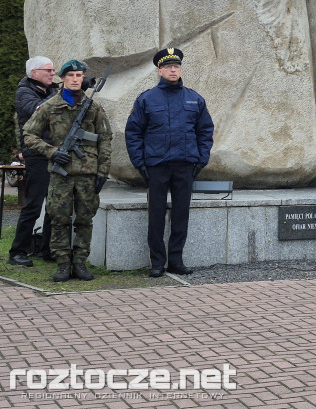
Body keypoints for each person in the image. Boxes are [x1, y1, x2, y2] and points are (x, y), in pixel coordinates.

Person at [125, 49, 215, 278]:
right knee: (156, 215)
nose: (173, 70)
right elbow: (133, 132)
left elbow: (205, 131)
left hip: (185, 166)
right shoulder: (146, 98)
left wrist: (201, 159)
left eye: (176, 66)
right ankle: (157, 262)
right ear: (160, 71)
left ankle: (176, 260)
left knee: (181, 214)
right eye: (168, 67)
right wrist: (139, 163)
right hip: (156, 166)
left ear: (181, 69)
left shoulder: (194, 98)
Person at [22, 60, 112, 282]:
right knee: (59, 219)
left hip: (88, 174)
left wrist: (102, 172)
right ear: (62, 78)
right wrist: (51, 152)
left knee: (84, 219)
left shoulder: (93, 107)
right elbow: (29, 135)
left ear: (83, 79)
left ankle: (80, 263)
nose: (75, 79)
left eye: (79, 75)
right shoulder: (50, 106)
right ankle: (63, 264)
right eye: (70, 75)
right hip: (60, 174)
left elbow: (105, 139)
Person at [9, 56, 58, 267]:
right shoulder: (24, 92)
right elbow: (38, 110)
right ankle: (17, 251)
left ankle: (47, 249)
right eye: (48, 70)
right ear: (34, 73)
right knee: (34, 204)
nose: (52, 73)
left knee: (54, 205)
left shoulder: (53, 91)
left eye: (53, 70)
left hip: (56, 151)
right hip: (36, 153)